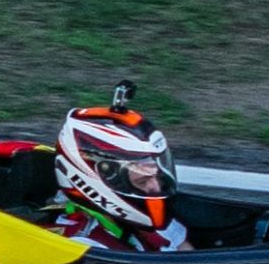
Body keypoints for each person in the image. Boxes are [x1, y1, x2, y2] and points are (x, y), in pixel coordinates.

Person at [49, 91, 192, 252]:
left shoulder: (147, 216)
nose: (156, 187)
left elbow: (187, 253)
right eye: (142, 181)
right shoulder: (84, 246)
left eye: (156, 176)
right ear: (101, 180)